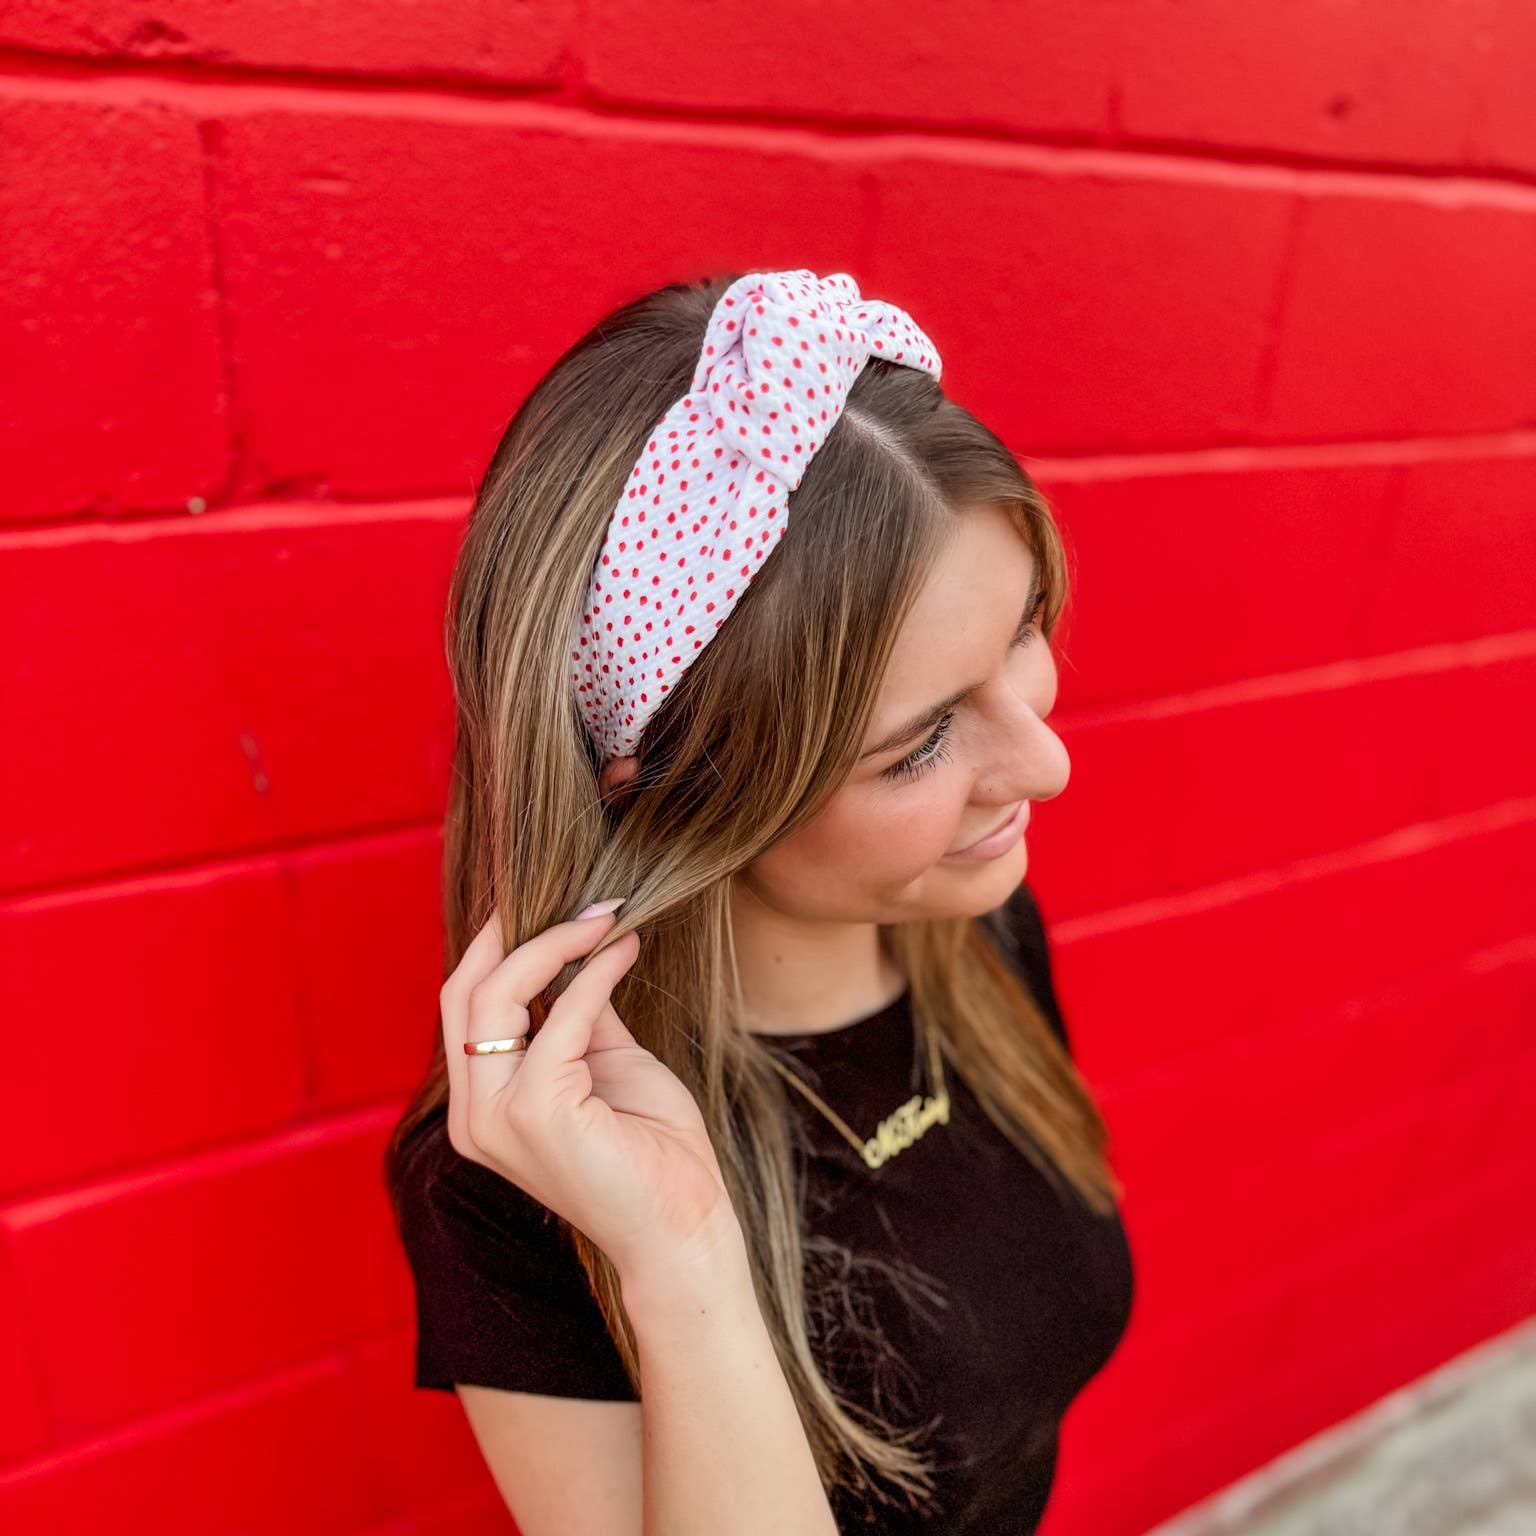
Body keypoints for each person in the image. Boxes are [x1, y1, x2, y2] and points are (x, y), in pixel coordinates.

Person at [383, 269, 1136, 1535]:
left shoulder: (978, 931)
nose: (1047, 765)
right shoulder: (518, 1183)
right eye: (920, 743)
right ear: (671, 794)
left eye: (1024, 629)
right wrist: (680, 1260)